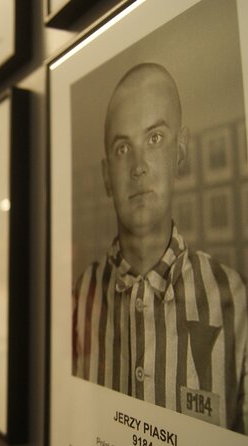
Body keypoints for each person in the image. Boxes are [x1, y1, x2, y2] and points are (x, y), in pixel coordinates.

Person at [72, 63, 248, 434]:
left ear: (180, 151)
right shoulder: (76, 300)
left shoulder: (236, 300)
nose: (138, 167)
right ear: (107, 175)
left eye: (154, 139)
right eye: (123, 148)